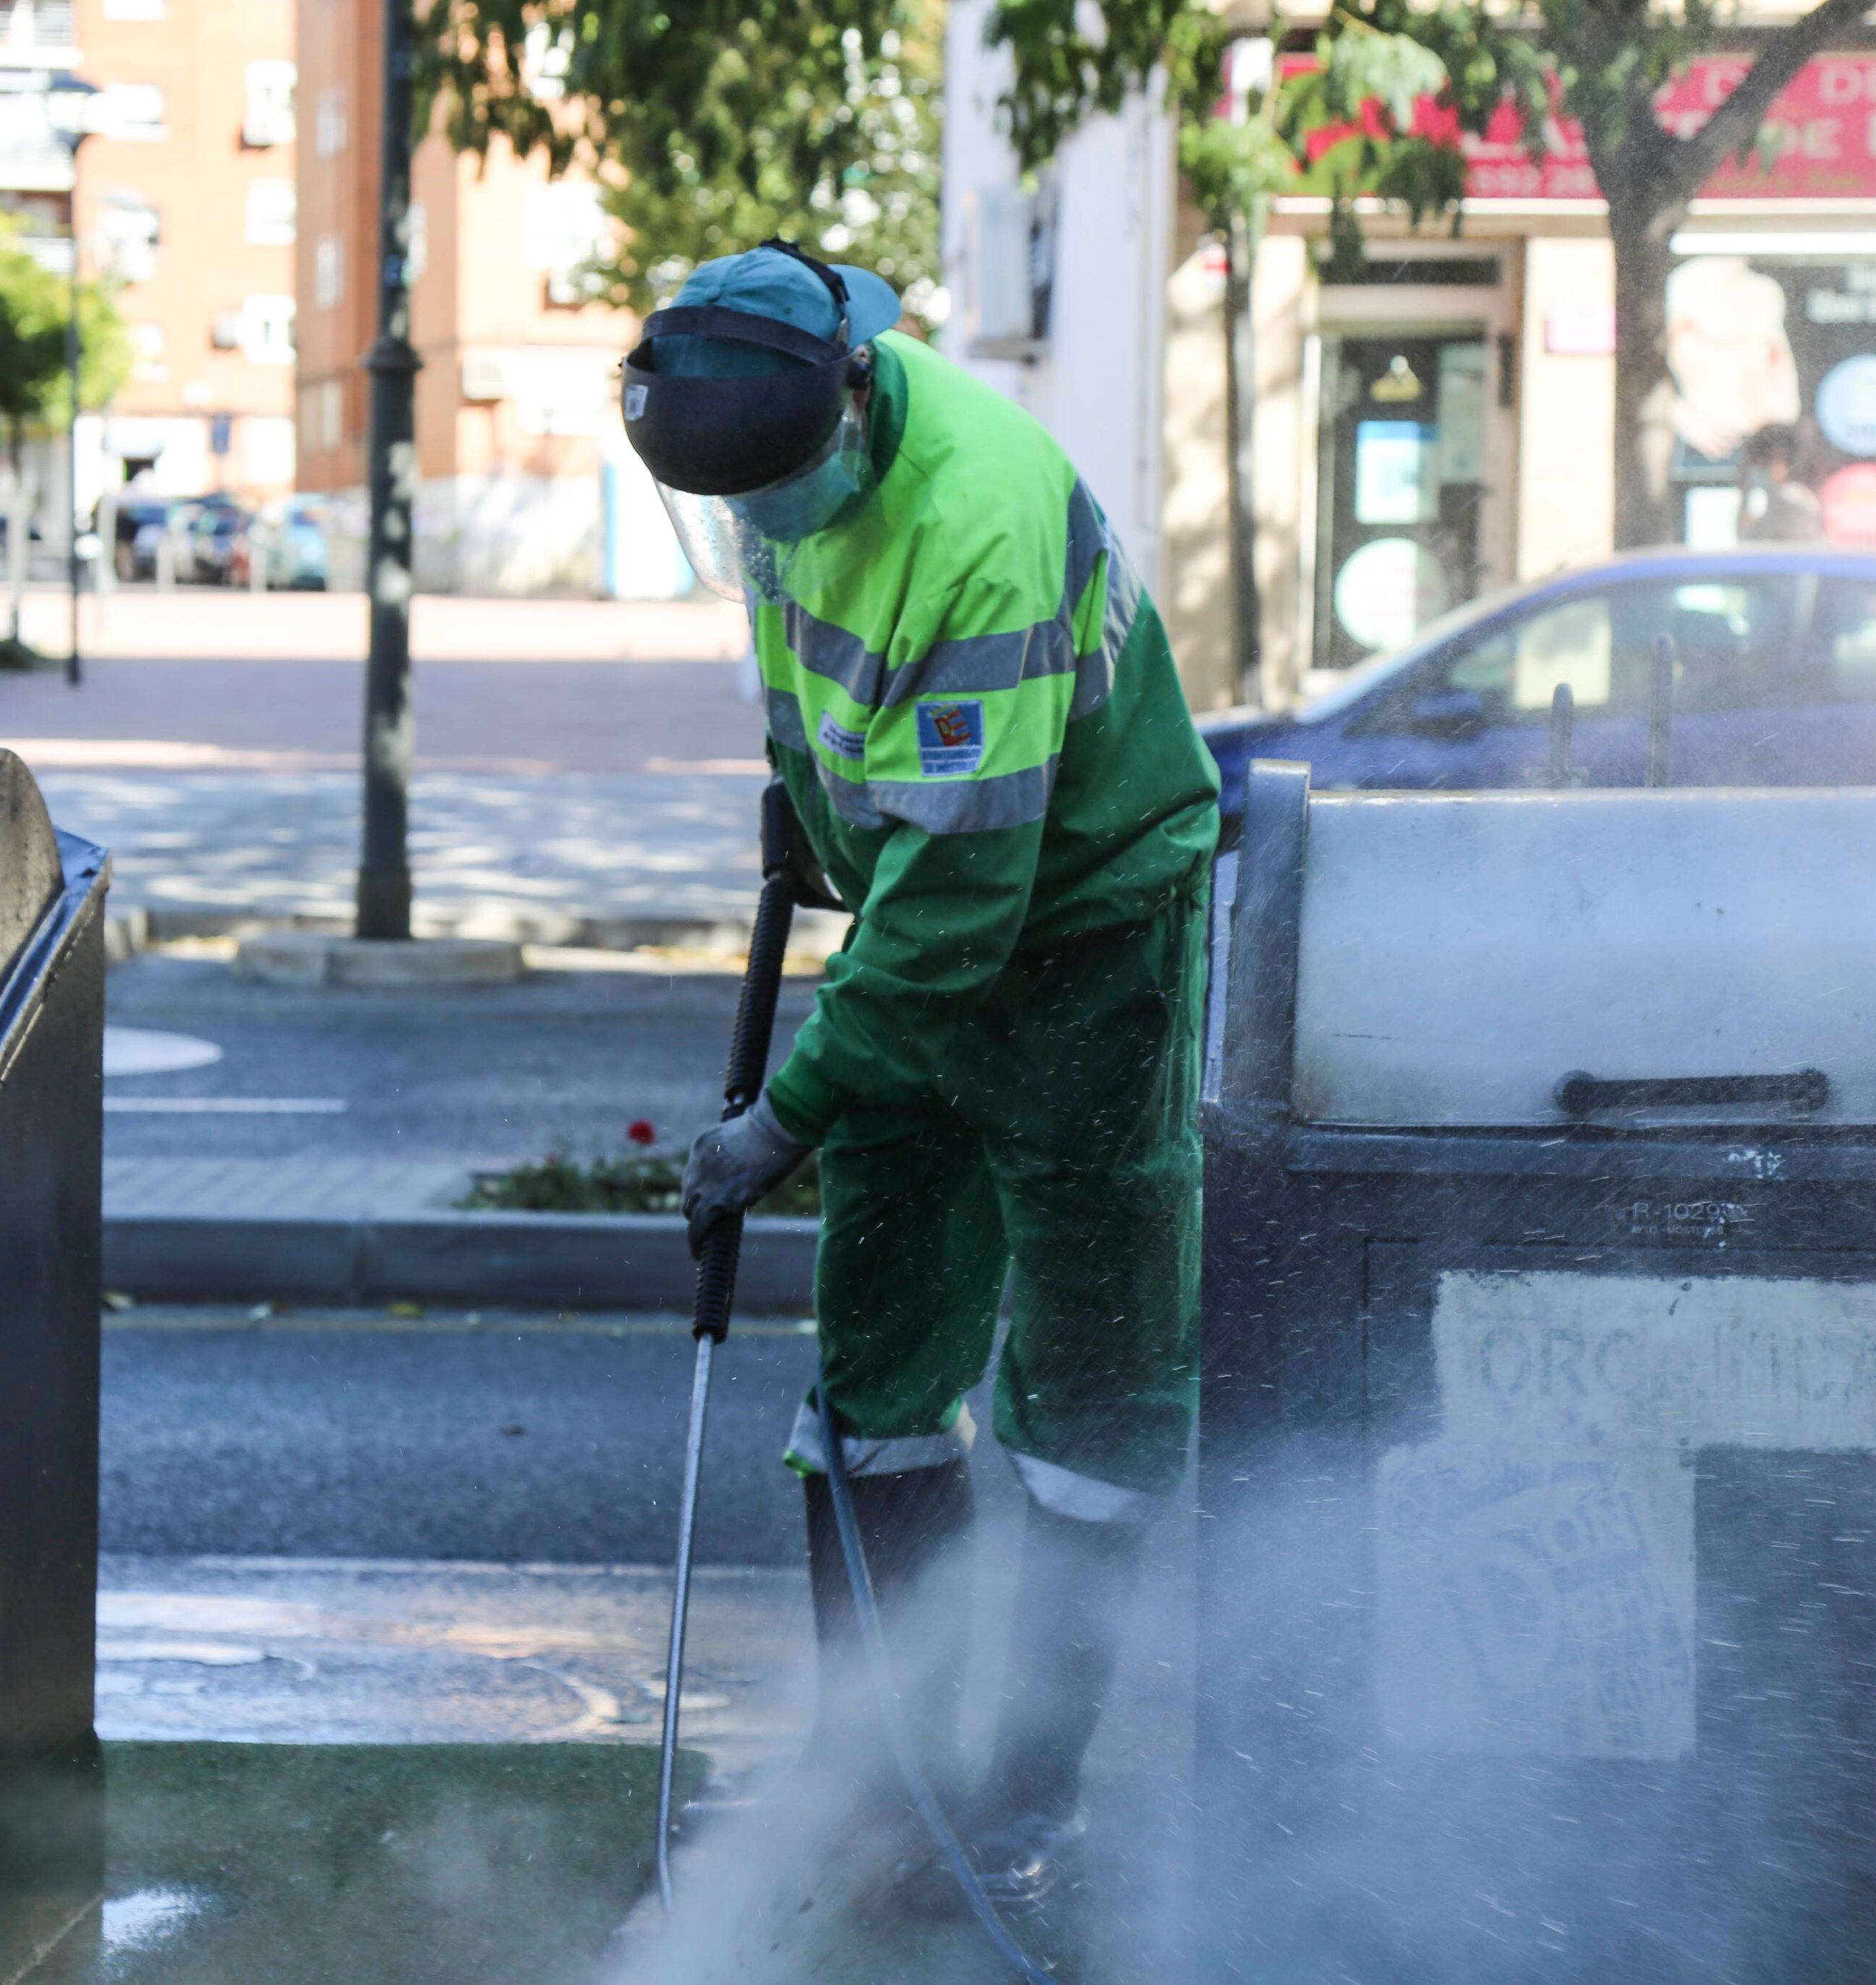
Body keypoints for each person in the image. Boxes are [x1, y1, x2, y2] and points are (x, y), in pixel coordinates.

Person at [633, 242, 1221, 1912]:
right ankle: (879, 1772)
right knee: (878, 1390)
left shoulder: (973, 519)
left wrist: (783, 1122)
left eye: (773, 492)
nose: (761, 530)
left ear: (852, 393)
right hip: (912, 923)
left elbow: (963, 908)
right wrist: (802, 805)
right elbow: (841, 724)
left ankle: (1025, 1795)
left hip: (1087, 941)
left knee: (1088, 1395)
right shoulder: (770, 482)